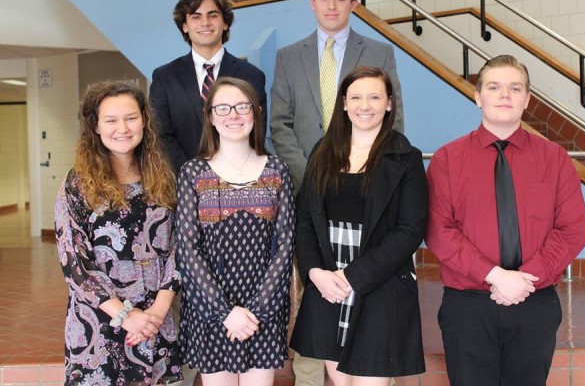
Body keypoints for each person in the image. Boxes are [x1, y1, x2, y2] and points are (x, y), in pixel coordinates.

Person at [425, 55, 585, 386]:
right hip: (468, 307)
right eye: (494, 87)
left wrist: (524, 279)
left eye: (515, 88)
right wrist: (496, 276)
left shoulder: (554, 158)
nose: (504, 95)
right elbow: (439, 231)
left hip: (534, 301)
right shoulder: (447, 159)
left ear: (527, 100)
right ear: (477, 96)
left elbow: (573, 229)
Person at [290, 66, 427, 386]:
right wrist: (314, 272)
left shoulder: (406, 158)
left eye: (375, 97)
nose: (365, 105)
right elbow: (305, 218)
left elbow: (410, 230)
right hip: (328, 283)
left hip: (378, 283)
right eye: (357, 97)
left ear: (389, 103)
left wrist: (353, 276)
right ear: (344, 103)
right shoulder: (322, 152)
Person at [54, 81, 182, 386]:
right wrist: (128, 316)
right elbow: (75, 265)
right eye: (111, 120)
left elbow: (181, 248)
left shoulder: (164, 178)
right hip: (100, 326)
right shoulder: (77, 186)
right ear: (96, 127)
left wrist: (157, 311)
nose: (122, 128)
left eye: (131, 118)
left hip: (155, 321)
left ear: (144, 121)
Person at [175, 77, 295, 386]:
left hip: (263, 313)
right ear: (211, 116)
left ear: (255, 113)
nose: (233, 115)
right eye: (223, 107)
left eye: (242, 106)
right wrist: (225, 312)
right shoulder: (193, 172)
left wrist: (256, 311)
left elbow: (285, 246)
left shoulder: (277, 170)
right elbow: (188, 250)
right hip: (211, 310)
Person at [270, 0, 404, 192]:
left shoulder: (380, 53)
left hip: (364, 181)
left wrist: (369, 172)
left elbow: (394, 119)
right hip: (304, 183)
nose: (331, 6)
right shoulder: (287, 57)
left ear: (353, 5)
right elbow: (280, 124)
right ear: (312, 3)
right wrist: (308, 175)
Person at [150, 0, 267, 176]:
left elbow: (255, 132)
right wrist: (193, 175)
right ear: (185, 25)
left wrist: (225, 177)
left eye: (213, 15)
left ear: (225, 23)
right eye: (196, 17)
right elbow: (161, 136)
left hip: (238, 180)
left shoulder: (251, 76)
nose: (205, 23)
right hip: (181, 183)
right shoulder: (164, 77)